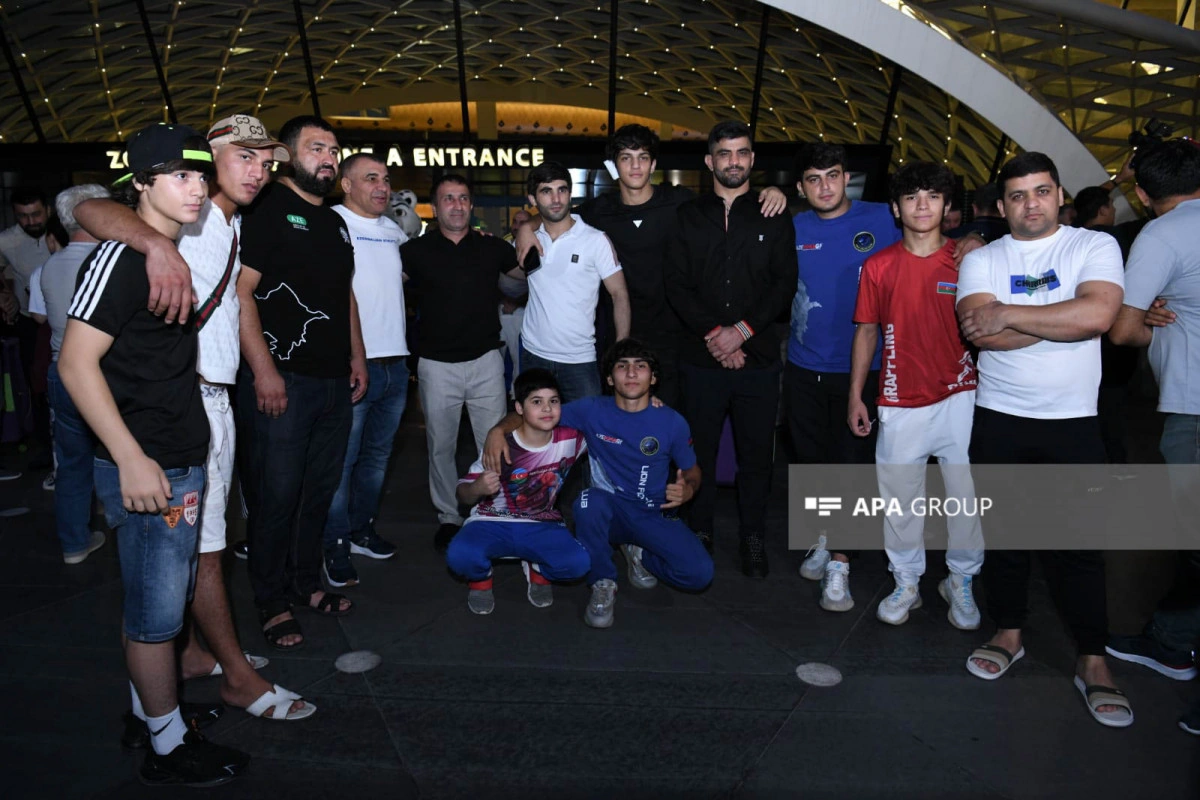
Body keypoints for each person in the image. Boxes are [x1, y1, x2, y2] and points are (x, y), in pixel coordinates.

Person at [76, 114, 314, 720]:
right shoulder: (187, 212)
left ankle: (188, 657)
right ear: (204, 158)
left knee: (198, 548)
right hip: (181, 403)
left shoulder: (228, 222)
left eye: (265, 163)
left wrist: (261, 368)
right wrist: (156, 245)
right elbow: (89, 209)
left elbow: (235, 300)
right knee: (201, 549)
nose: (257, 172)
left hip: (212, 399)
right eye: (243, 157)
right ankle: (235, 678)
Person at [57, 122, 249, 786]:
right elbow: (75, 363)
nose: (195, 189)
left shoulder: (167, 247)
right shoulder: (121, 259)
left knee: (158, 602)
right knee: (155, 616)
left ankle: (150, 715)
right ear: (140, 184)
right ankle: (167, 747)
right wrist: (129, 457)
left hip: (175, 451)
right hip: (148, 462)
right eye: (179, 176)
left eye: (200, 175)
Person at [957, 151, 1132, 728]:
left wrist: (1011, 312)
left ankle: (1093, 658)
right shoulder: (983, 258)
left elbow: (1099, 317)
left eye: (1040, 191)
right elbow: (981, 333)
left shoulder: (1093, 246)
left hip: (1074, 421)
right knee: (1005, 538)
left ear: (1059, 195)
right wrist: (1063, 314)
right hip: (1000, 418)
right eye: (1017, 195)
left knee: (1077, 546)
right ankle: (1008, 633)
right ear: (1002, 205)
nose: (1030, 204)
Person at [514, 124, 789, 407]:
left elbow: (727, 202)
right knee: (616, 425)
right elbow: (557, 215)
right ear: (614, 166)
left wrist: (770, 192)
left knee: (669, 424)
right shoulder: (598, 211)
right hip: (618, 338)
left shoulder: (680, 203)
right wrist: (526, 227)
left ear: (653, 164)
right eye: (626, 158)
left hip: (675, 341)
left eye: (643, 157)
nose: (635, 166)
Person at [236, 115, 363, 649]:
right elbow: (241, 293)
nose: (329, 158)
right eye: (317, 148)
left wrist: (357, 356)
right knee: (277, 495)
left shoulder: (335, 222)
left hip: (333, 381)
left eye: (333, 149)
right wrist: (264, 371)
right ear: (288, 156)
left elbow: (344, 293)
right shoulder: (265, 209)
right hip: (283, 380)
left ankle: (305, 583)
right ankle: (270, 600)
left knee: (317, 492)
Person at [484, 339, 711, 629]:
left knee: (698, 574)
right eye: (622, 366)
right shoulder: (591, 410)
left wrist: (688, 488)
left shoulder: (672, 421)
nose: (631, 373)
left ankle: (641, 555)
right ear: (609, 379)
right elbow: (535, 411)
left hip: (653, 512)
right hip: (609, 509)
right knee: (587, 502)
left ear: (653, 378)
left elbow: (692, 470)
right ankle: (603, 582)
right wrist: (497, 430)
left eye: (640, 366)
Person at [847, 161, 983, 629]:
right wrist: (856, 395)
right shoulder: (878, 265)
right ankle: (906, 580)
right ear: (895, 208)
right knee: (900, 499)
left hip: (960, 394)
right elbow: (866, 330)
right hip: (898, 398)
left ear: (947, 206)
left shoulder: (968, 260)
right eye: (911, 197)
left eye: (932, 196)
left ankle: (960, 579)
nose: (922, 206)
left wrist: (977, 241)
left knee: (965, 495)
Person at [663, 122, 796, 577]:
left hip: (758, 360)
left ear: (752, 160)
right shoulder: (687, 215)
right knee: (696, 453)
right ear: (710, 161)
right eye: (724, 153)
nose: (733, 161)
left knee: (756, 457)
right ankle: (699, 530)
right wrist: (717, 337)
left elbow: (783, 284)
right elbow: (676, 284)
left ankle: (752, 536)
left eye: (741, 153)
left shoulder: (773, 212)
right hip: (700, 359)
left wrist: (740, 332)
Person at [1107, 139, 1200, 732]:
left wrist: (1149, 321)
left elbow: (1120, 330)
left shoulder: (1162, 235)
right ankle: (1172, 639)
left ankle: (1174, 643)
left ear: (1142, 193)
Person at [788, 142, 899, 605]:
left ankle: (841, 561)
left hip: (862, 368)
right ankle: (824, 535)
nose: (825, 186)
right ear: (801, 187)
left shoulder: (884, 217)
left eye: (832, 175)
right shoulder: (793, 227)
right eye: (814, 179)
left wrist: (970, 239)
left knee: (853, 465)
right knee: (813, 464)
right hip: (802, 365)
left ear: (846, 178)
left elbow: (936, 231)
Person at [400, 174, 525, 552]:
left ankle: (491, 509)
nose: (456, 205)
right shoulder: (414, 251)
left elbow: (523, 278)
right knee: (441, 446)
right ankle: (449, 516)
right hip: (436, 365)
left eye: (463, 198)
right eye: (448, 198)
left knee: (494, 443)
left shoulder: (492, 247)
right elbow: (384, 287)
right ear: (436, 207)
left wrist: (528, 237)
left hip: (486, 361)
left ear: (471, 205)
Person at [322, 152, 411, 588]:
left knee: (376, 459)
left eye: (386, 179)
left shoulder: (394, 231)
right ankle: (334, 543)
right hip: (353, 365)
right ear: (346, 185)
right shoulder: (331, 224)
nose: (382, 187)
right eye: (371, 178)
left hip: (397, 364)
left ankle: (361, 530)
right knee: (341, 462)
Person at [447, 369, 590, 614]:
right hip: (491, 521)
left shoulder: (572, 439)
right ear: (519, 408)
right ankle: (481, 580)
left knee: (578, 564)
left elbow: (608, 424)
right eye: (537, 402)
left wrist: (649, 404)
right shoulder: (501, 445)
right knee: (459, 557)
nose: (547, 408)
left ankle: (538, 569)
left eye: (553, 401)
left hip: (542, 523)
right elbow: (462, 494)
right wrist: (477, 487)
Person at [36, 184, 110, 564]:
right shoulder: (109, 262)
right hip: (102, 373)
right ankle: (130, 532)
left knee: (71, 463)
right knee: (120, 455)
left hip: (60, 372)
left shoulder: (49, 265)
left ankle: (74, 544)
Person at [519, 161, 629, 402]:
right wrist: (525, 228)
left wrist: (621, 350)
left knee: (587, 424)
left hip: (580, 361)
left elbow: (619, 294)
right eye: (546, 191)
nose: (556, 198)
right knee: (535, 425)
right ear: (533, 199)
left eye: (562, 190)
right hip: (533, 355)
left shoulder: (595, 240)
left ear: (570, 194)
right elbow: (512, 278)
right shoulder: (528, 239)